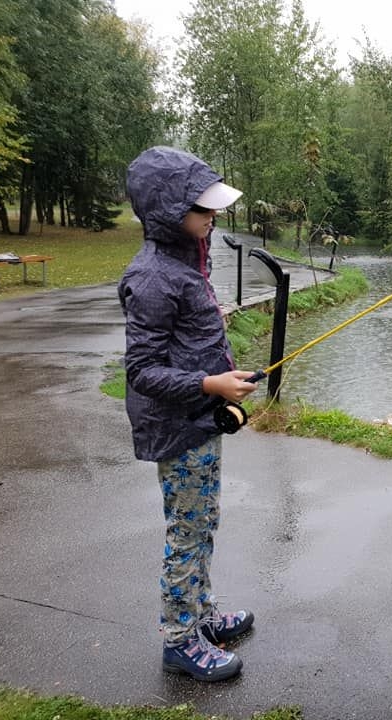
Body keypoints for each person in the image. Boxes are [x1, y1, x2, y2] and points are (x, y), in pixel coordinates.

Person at [119, 146, 258, 681]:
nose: (213, 215)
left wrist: (221, 375)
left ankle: (201, 615)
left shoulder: (185, 262)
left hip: (200, 418)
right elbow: (143, 370)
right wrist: (210, 383)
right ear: (167, 212)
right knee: (187, 531)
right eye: (203, 208)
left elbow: (185, 339)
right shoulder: (155, 277)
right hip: (178, 426)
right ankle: (179, 640)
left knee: (204, 522)